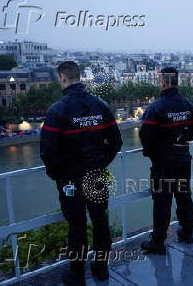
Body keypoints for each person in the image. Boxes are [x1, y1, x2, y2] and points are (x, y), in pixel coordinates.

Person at [40, 61, 123, 285]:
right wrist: (101, 162)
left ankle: (77, 275)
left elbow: (48, 152)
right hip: (96, 175)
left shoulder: (56, 111)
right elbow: (116, 141)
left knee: (77, 228)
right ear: (79, 76)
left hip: (71, 180)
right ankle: (102, 268)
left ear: (63, 78)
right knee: (100, 222)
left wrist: (60, 176)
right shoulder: (101, 105)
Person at [139, 67, 193, 254]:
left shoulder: (155, 107)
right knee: (184, 196)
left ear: (163, 82)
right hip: (183, 159)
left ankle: (158, 242)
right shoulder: (188, 104)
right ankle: (187, 232)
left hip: (163, 163)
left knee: (162, 202)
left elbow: (146, 136)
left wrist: (153, 155)